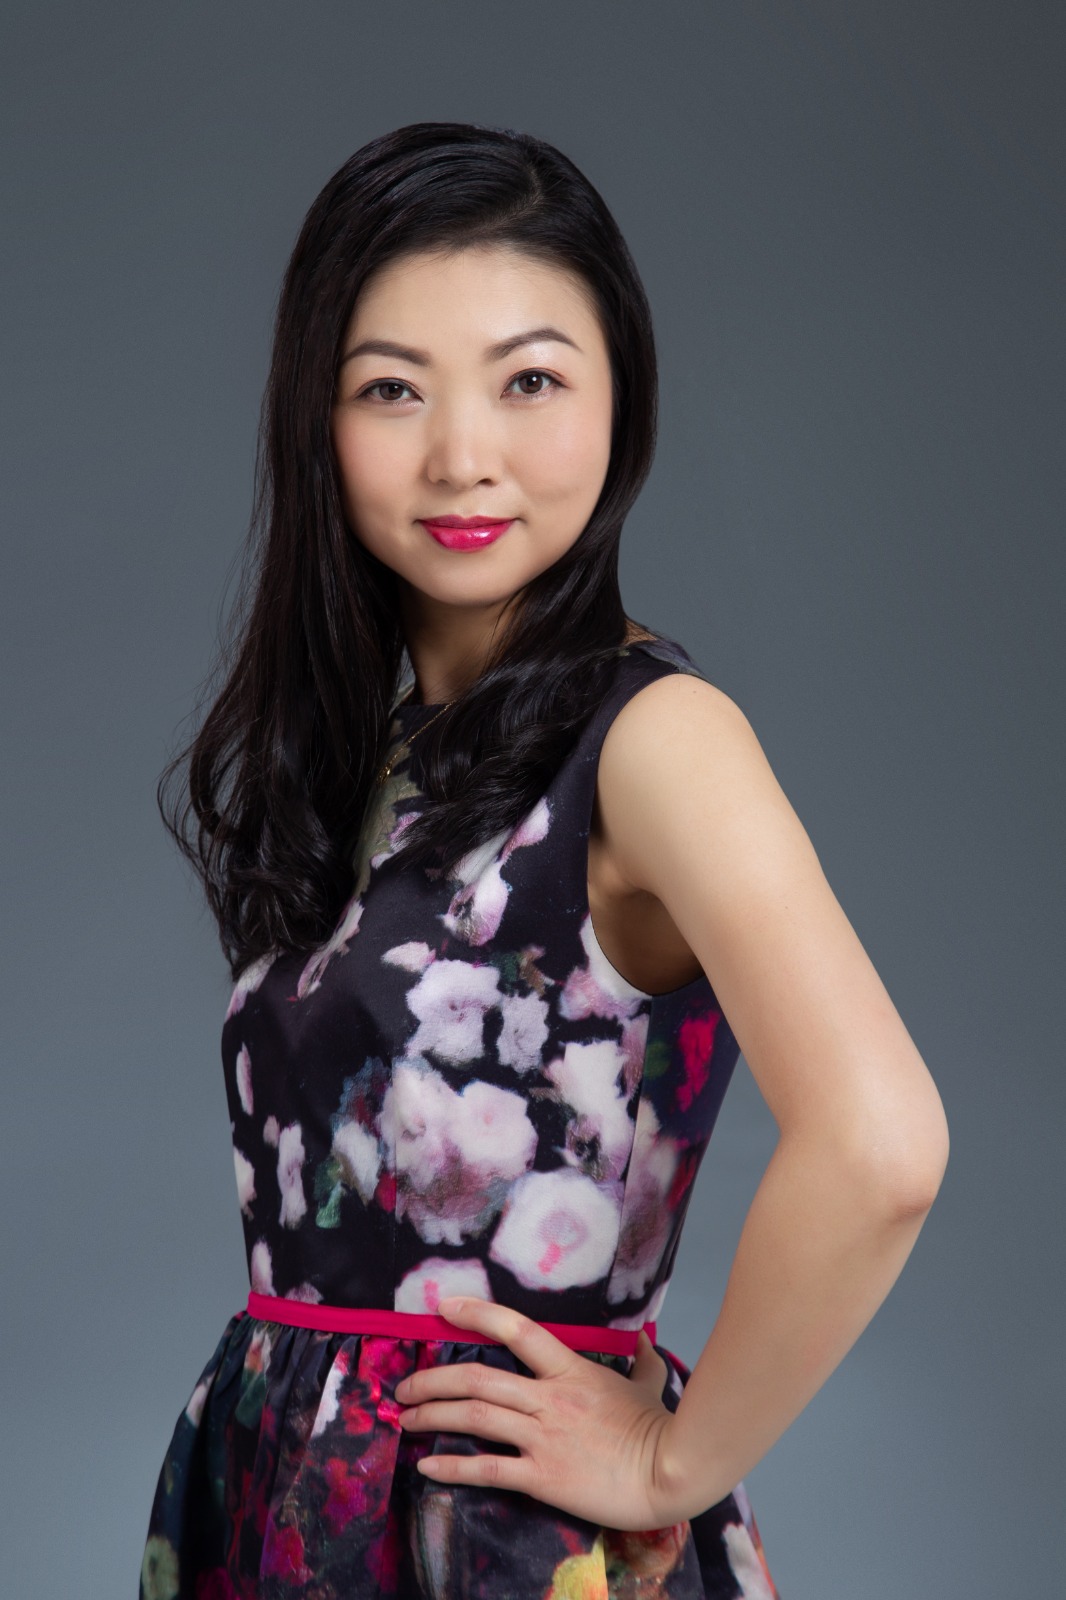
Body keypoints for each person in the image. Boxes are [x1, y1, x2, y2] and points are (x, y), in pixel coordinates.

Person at [139, 121, 949, 1600]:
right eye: (392, 388)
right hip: (283, 1509)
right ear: (316, 419)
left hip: (499, 1537)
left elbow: (883, 1146)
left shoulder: (653, 739)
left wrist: (670, 1464)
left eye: (530, 381)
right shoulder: (384, 753)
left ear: (619, 402)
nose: (463, 455)